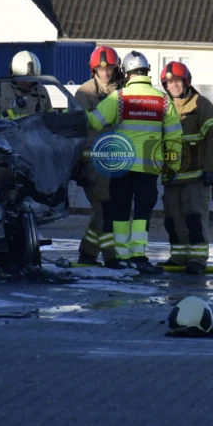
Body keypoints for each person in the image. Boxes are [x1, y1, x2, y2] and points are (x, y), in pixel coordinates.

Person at [87, 51, 182, 272]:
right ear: (147, 72)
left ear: (127, 73)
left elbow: (94, 122)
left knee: (120, 211)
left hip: (121, 165)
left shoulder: (118, 97)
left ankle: (121, 256)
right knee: (142, 213)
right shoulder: (163, 99)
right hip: (149, 167)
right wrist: (173, 166)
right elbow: (174, 136)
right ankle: (138, 255)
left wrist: (73, 112)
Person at [157, 62, 213, 275]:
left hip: (196, 177)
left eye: (177, 81)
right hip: (172, 177)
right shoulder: (163, 106)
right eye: (169, 83)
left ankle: (197, 259)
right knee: (172, 220)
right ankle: (178, 257)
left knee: (194, 219)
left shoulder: (200, 104)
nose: (174, 86)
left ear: (186, 82)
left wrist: (211, 169)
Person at [72, 46, 123, 267]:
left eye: (109, 68)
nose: (105, 72)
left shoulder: (122, 89)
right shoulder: (84, 94)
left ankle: (88, 252)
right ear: (93, 69)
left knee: (108, 210)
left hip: (118, 160)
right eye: (101, 69)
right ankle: (111, 256)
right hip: (93, 162)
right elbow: (78, 130)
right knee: (104, 210)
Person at [0, 51, 52, 124]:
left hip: (36, 132)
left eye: (31, 78)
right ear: (13, 75)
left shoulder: (41, 91)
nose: (28, 82)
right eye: (23, 79)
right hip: (7, 132)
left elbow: (50, 121)